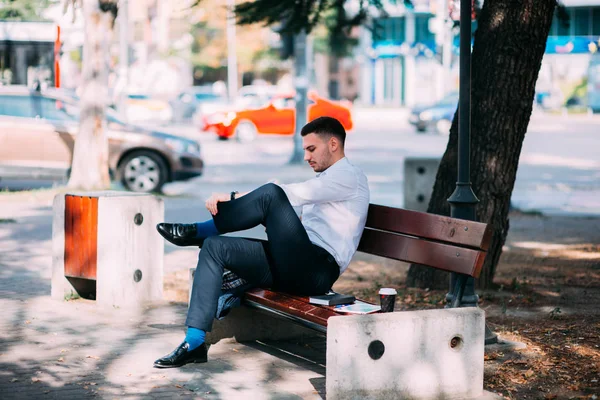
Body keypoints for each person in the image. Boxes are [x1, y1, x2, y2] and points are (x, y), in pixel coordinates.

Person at [153, 116, 370, 368]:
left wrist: (232, 197)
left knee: (271, 193)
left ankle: (198, 231)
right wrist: (244, 203)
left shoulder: (349, 176)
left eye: (311, 149)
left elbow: (288, 194)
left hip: (317, 271)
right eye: (305, 150)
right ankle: (194, 343)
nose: (306, 157)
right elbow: (286, 206)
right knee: (215, 247)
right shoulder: (326, 180)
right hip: (294, 262)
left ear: (333, 144)